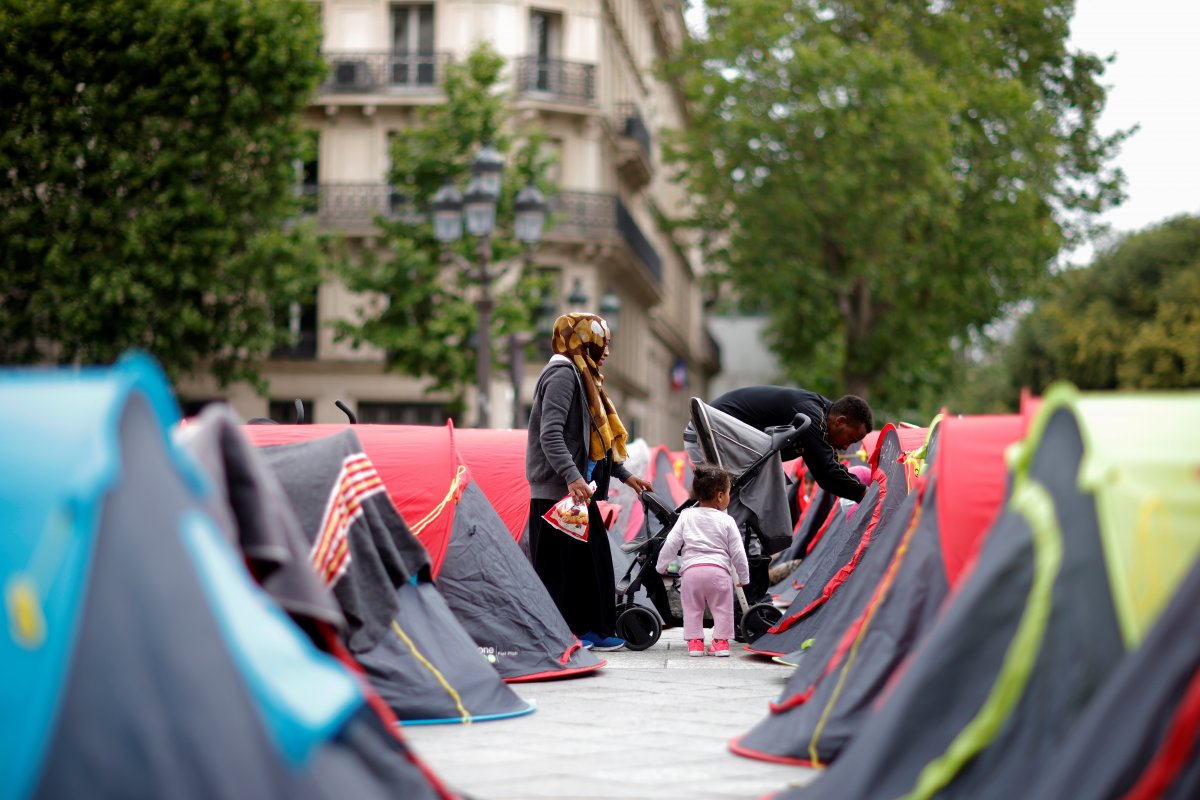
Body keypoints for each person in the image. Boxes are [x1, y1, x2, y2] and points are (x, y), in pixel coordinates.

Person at [526, 312, 653, 653]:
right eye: (603, 343)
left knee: (589, 564)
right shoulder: (562, 375)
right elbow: (550, 434)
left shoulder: (583, 376)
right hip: (559, 495)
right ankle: (569, 633)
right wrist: (571, 476)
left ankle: (591, 630)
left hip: (577, 491)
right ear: (585, 341)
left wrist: (625, 475)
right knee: (564, 569)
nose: (607, 352)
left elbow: (596, 440)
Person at [707, 385, 872, 504]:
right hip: (713, 430)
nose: (846, 447)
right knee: (758, 496)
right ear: (840, 421)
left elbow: (832, 465)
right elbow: (827, 472)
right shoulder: (811, 415)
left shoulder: (819, 414)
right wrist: (868, 495)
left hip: (719, 433)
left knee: (767, 487)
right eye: (851, 439)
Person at [655, 464, 750, 657]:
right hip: (719, 573)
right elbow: (738, 552)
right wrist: (744, 576)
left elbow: (672, 543)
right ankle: (721, 643)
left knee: (692, 608)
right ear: (720, 496)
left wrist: (661, 565)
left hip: (691, 573)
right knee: (722, 609)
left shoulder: (686, 516)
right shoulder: (727, 521)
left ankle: (695, 644)